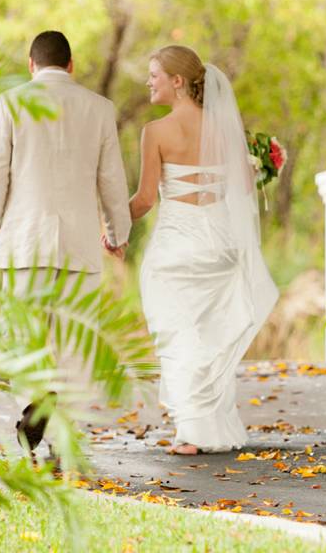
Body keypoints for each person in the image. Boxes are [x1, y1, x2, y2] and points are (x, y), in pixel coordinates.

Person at [108, 45, 278, 455]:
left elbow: (146, 199)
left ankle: (192, 431)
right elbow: (241, 189)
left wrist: (112, 222)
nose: (149, 82)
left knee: (179, 334)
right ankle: (207, 425)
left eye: (154, 75)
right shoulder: (225, 130)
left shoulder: (156, 132)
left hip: (177, 246)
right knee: (209, 335)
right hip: (220, 243)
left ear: (177, 81)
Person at [0, 30, 131, 444]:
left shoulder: (9, 103)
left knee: (24, 335)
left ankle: (34, 402)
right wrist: (118, 232)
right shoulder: (98, 108)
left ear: (31, 65)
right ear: (71, 64)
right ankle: (64, 432)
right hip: (78, 242)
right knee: (75, 341)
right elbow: (111, 179)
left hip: (23, 241)